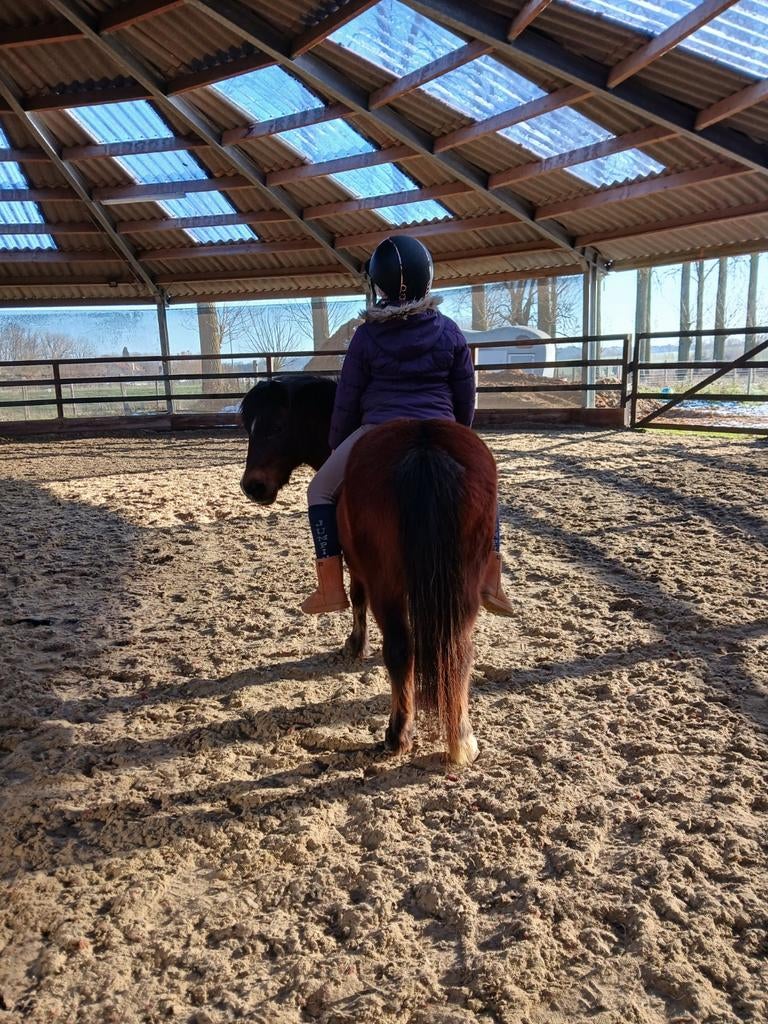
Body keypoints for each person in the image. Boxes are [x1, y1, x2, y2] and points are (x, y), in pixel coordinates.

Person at [301, 234, 514, 617]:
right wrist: (460, 433)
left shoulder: (366, 335)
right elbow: (466, 390)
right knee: (488, 486)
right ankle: (491, 578)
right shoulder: (449, 330)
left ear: (378, 285)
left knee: (318, 491)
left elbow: (349, 394)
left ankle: (330, 587)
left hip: (378, 427)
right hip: (442, 424)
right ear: (428, 279)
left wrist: (337, 442)